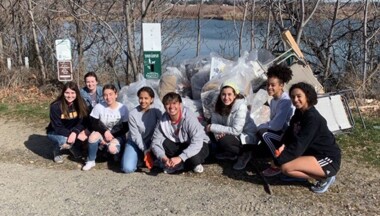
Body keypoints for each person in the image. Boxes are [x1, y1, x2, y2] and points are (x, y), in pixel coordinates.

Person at [274, 82, 341, 193]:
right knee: (285, 166)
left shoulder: (312, 118)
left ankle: (325, 177)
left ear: (307, 96)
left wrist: (277, 161)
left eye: (299, 96)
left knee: (285, 167)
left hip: (327, 158)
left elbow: (299, 144)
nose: (295, 99)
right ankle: (300, 175)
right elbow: (290, 132)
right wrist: (283, 145)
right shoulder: (299, 113)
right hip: (311, 153)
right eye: (293, 97)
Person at [151, 92, 209, 174]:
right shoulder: (162, 120)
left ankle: (183, 165)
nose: (171, 107)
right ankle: (175, 163)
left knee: (194, 158)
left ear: (180, 104)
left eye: (174, 103)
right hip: (181, 145)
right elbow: (155, 142)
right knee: (164, 143)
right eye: (167, 104)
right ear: (164, 106)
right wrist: (164, 158)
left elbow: (197, 141)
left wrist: (180, 157)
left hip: (200, 144)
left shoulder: (188, 117)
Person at [206, 81, 256, 171]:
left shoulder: (241, 107)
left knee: (223, 139)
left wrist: (214, 129)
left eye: (229, 94)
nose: (226, 98)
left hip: (245, 138)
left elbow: (236, 130)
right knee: (210, 126)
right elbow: (214, 122)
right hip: (231, 133)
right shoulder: (217, 104)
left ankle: (244, 154)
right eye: (223, 94)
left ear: (235, 95)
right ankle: (231, 153)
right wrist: (217, 134)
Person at [82, 84, 129, 171]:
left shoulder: (123, 108)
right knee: (92, 137)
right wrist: (105, 132)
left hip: (117, 135)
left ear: (116, 95)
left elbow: (125, 127)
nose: (108, 97)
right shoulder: (99, 107)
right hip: (103, 133)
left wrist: (111, 135)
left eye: (111, 94)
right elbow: (94, 123)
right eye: (105, 95)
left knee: (112, 149)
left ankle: (116, 153)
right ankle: (91, 160)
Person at [257, 65, 294, 177]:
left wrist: (259, 126)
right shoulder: (273, 100)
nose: (269, 87)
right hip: (281, 133)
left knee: (264, 133)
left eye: (273, 85)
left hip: (289, 136)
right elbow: (273, 121)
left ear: (281, 85)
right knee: (261, 134)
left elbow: (276, 126)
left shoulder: (285, 101)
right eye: (268, 85)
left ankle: (278, 163)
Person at [121, 87, 162, 173]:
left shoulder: (156, 111)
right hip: (135, 142)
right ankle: (138, 157)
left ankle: (143, 159)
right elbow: (136, 136)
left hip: (152, 142)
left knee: (161, 165)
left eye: (146, 98)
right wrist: (145, 150)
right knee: (127, 168)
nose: (143, 101)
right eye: (141, 98)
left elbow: (162, 128)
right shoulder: (133, 114)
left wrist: (152, 146)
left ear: (151, 99)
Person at [46, 81, 89, 163]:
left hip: (72, 131)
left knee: (84, 135)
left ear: (77, 93)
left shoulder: (81, 103)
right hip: (55, 131)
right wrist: (71, 135)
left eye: (73, 93)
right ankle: (56, 151)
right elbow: (57, 127)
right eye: (67, 93)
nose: (70, 96)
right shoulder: (55, 106)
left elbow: (83, 121)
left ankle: (71, 146)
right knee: (64, 140)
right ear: (63, 93)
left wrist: (75, 132)